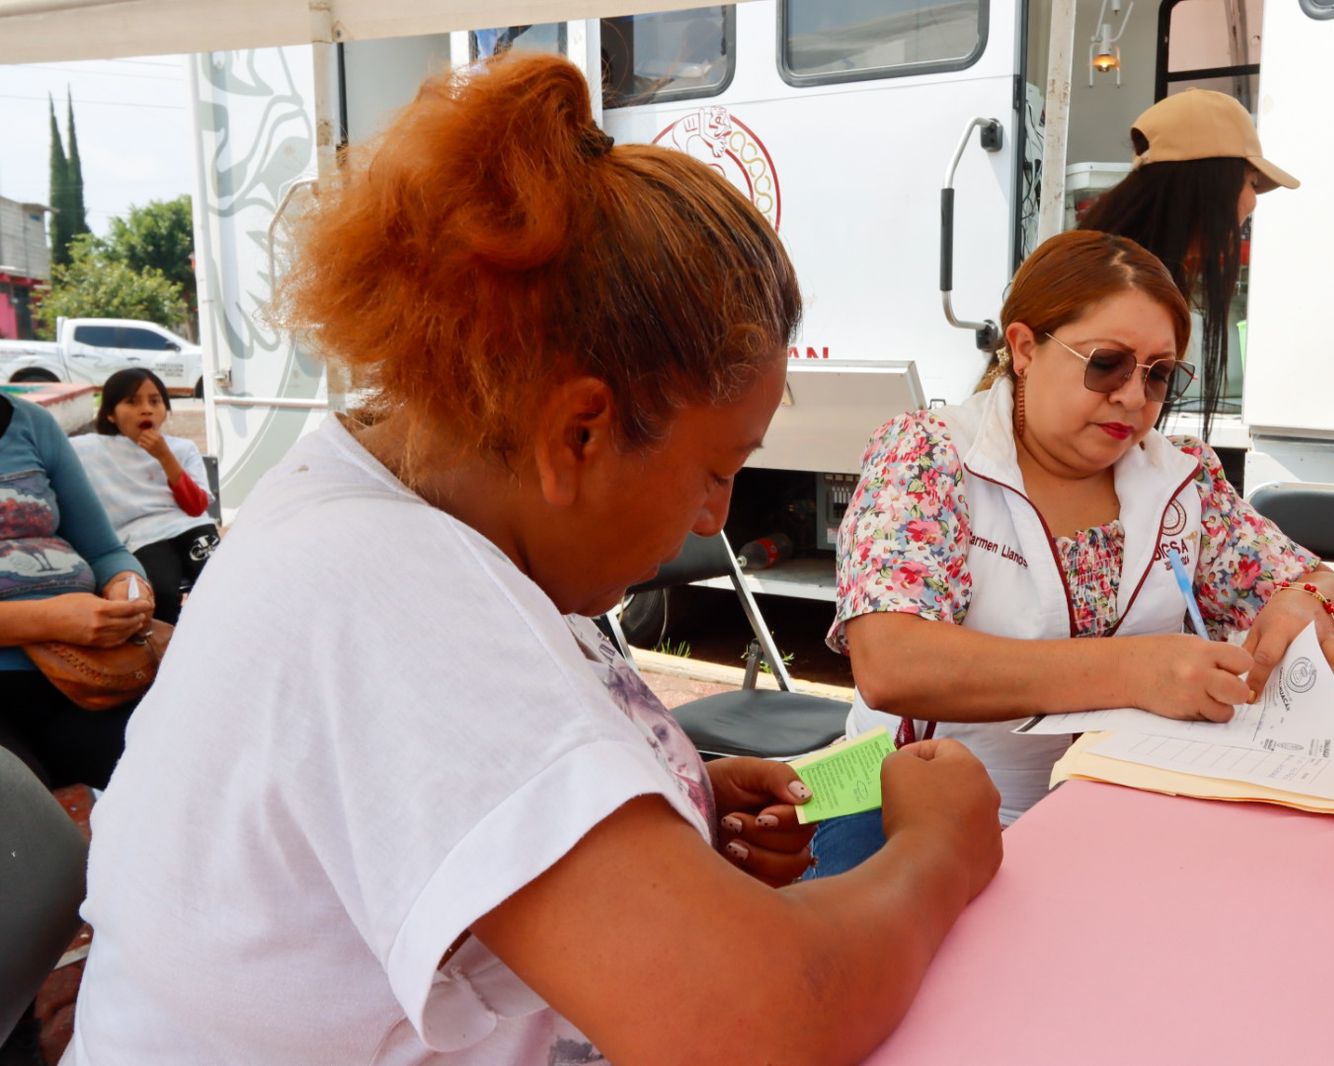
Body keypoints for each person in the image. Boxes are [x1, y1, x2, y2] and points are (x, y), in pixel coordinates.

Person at [63, 53, 1002, 1066]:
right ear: (578, 434)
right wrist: (938, 846)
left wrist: (663, 797)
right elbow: (755, 1018)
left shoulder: (383, 505)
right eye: (717, 469)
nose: (714, 515)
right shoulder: (388, 591)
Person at [811, 230, 1334, 877]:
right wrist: (1132, 672)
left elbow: (1327, 587)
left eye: (1159, 375)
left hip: (1115, 811)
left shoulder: (1181, 479)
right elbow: (892, 663)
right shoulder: (932, 455)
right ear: (1025, 348)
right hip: (915, 809)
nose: (1133, 396)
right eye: (1107, 364)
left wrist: (1307, 604)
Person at [1074, 89, 1299, 438]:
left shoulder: (1107, 263)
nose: (1253, 201)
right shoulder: (1127, 281)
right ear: (1209, 184)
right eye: (1251, 182)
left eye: (1157, 373)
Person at [0, 390, 153, 790]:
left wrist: (129, 587)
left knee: (175, 763)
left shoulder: (31, 424)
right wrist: (50, 620)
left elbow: (105, 550)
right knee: (21, 802)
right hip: (14, 680)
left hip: (92, 670)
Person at [72, 368, 219, 624]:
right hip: (138, 537)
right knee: (159, 593)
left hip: (190, 526)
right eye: (132, 402)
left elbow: (196, 507)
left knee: (221, 580)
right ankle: (170, 643)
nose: (146, 410)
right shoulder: (89, 449)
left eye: (155, 401)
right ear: (110, 413)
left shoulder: (182, 448)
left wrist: (165, 457)